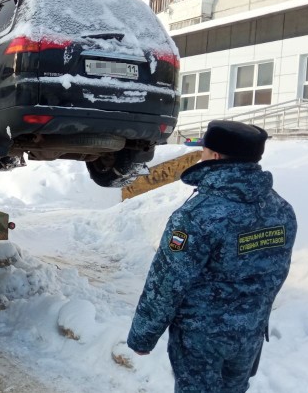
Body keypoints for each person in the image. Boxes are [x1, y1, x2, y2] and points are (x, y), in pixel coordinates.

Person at [127, 120, 298, 393]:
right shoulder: (281, 209)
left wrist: (142, 337)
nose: (201, 155)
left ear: (215, 156)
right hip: (249, 336)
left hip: (201, 341)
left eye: (204, 150)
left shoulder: (197, 215)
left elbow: (167, 282)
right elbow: (275, 274)